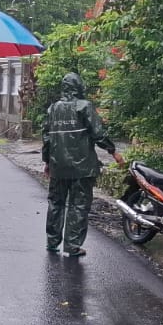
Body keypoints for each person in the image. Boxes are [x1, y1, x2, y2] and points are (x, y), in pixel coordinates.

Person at [42, 72, 120, 257]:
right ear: (79, 87)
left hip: (58, 166)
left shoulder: (53, 109)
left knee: (56, 203)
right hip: (82, 167)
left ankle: (52, 242)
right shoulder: (84, 107)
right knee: (78, 205)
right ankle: (72, 245)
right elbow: (98, 134)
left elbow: (46, 138)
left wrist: (47, 161)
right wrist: (113, 151)